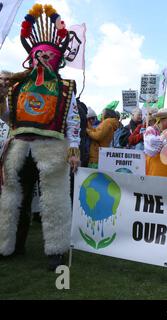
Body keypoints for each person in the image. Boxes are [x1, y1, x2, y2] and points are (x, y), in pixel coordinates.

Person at [0, 4, 81, 270]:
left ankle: (56, 251)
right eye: (39, 54)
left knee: (55, 197)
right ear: (32, 57)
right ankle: (9, 245)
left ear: (57, 59)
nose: (43, 57)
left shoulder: (64, 87)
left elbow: (72, 121)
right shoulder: (18, 85)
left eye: (48, 54)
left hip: (52, 147)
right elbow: (11, 119)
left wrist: (74, 150)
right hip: (20, 146)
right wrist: (1, 101)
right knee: (13, 196)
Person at [144, 108, 167, 177]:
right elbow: (152, 147)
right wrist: (166, 135)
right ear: (161, 119)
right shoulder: (150, 129)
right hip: (155, 164)